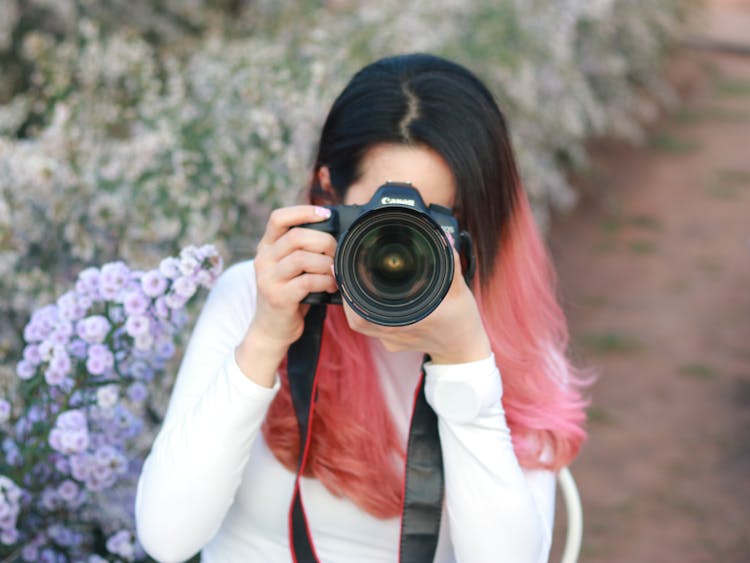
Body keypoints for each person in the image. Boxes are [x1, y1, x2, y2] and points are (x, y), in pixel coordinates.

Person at [135, 53, 587, 563]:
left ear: (479, 221)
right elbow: (167, 537)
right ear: (328, 194)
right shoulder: (252, 299)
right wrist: (264, 340)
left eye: (436, 225)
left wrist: (466, 363)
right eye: (382, 221)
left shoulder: (511, 342)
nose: (404, 254)